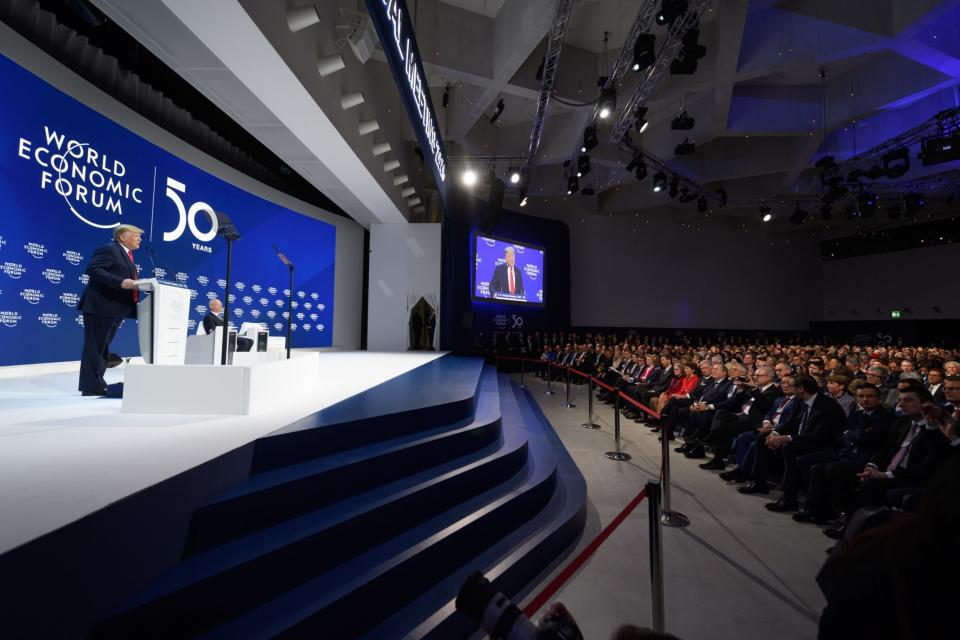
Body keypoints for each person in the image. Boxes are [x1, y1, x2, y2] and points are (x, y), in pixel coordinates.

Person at [77, 224, 143, 396]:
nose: (139, 239)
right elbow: (93, 269)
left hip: (113, 308)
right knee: (95, 347)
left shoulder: (127, 255)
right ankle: (91, 386)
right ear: (122, 237)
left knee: (102, 346)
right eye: (136, 236)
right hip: (100, 305)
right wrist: (119, 282)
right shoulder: (110, 249)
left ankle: (96, 383)